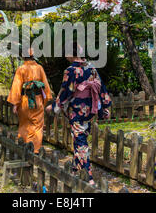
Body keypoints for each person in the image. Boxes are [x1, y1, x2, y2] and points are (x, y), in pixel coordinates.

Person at [46, 42, 111, 184]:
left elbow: (66, 91)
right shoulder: (91, 67)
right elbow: (101, 88)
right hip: (91, 109)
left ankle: (88, 175)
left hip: (77, 110)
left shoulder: (71, 70)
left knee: (80, 141)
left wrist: (55, 106)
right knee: (79, 138)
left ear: (71, 54)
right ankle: (76, 169)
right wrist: (105, 106)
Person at [7, 48, 52, 153]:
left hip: (24, 100)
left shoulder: (21, 69)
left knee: (24, 123)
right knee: (37, 125)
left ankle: (24, 145)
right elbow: (45, 86)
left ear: (23, 56)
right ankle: (35, 149)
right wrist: (46, 100)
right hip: (38, 100)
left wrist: (15, 104)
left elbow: (16, 87)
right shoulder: (39, 68)